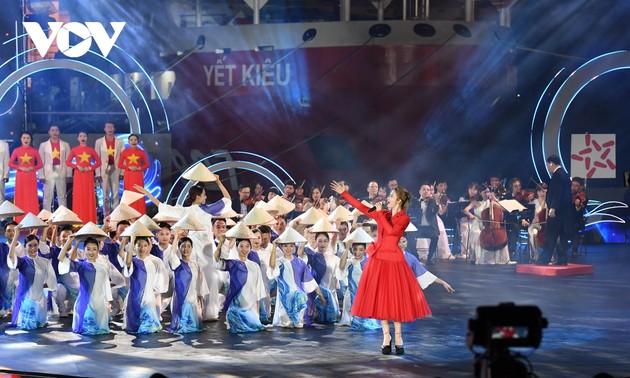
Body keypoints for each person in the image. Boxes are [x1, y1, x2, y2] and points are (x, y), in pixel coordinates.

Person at [331, 180, 431, 355]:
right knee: (382, 300)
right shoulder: (383, 213)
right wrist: (344, 194)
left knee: (396, 300)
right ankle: (386, 337)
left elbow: (392, 232)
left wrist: (379, 214)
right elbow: (362, 208)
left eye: (392, 196)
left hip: (394, 262)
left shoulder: (404, 218)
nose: (388, 198)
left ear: (399, 200)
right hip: (378, 260)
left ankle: (398, 336)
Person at [267, 232, 326, 328]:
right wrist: (274, 247)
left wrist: (321, 297)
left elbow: (310, 281)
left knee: (298, 325)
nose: (288, 249)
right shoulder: (279, 262)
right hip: (285, 298)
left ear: (294, 247)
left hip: (299, 298)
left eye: (291, 246)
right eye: (285, 246)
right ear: (281, 247)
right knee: (286, 324)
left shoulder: (300, 262)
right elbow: (272, 266)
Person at [58, 236, 114, 335]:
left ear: (98, 250)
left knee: (100, 333)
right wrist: (70, 240)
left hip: (100, 303)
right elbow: (61, 258)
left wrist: (108, 301)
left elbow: (106, 283)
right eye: (88, 249)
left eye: (94, 249)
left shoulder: (103, 265)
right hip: (85, 303)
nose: (91, 252)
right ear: (84, 250)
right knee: (87, 331)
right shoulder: (81, 265)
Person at [7, 226, 57, 329]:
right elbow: (11, 256)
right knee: (29, 326)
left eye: (35, 245)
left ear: (38, 246)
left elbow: (51, 280)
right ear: (25, 247)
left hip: (40, 299)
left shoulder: (45, 262)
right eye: (30, 246)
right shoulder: (22, 261)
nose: (33, 248)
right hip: (27, 299)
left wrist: (51, 287)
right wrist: (16, 235)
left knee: (40, 325)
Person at [214, 235, 266, 333]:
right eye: (241, 246)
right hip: (236, 308)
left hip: (251, 308)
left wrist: (257, 314)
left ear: (250, 248)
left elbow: (258, 291)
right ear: (237, 248)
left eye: (247, 246)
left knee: (255, 328)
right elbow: (217, 262)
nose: (244, 249)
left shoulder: (255, 266)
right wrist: (220, 243)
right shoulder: (233, 264)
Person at [121, 235, 169, 334]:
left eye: (145, 245)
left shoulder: (153, 261)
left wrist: (156, 291)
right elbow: (126, 262)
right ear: (134, 246)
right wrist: (131, 238)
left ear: (148, 246)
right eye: (139, 245)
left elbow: (159, 279)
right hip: (135, 295)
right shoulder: (132, 260)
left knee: (148, 325)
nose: (142, 248)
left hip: (148, 296)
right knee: (135, 325)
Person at [166, 230, 209, 333]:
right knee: (183, 326)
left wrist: (201, 299)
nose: (186, 249)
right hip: (181, 297)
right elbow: (171, 256)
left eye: (189, 246)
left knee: (194, 326)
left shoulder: (196, 265)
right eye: (183, 246)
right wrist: (176, 237)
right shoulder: (177, 264)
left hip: (193, 297)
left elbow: (201, 283)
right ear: (179, 248)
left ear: (192, 248)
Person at [536, 155, 573, 266]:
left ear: (551, 163)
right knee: (562, 236)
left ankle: (545, 259)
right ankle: (562, 259)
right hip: (565, 212)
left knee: (550, 235)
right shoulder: (565, 175)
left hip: (557, 211)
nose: (548, 168)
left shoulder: (557, 175)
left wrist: (552, 208)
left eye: (548, 165)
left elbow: (558, 192)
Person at [65, 131, 102, 223]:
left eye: (84, 136)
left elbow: (99, 162)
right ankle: (79, 220)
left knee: (88, 195)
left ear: (87, 138)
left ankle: (90, 219)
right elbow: (68, 162)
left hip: (88, 175)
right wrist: (76, 166)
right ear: (78, 138)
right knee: (78, 196)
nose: (83, 138)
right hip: (78, 175)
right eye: (81, 136)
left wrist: (90, 168)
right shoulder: (74, 149)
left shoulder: (91, 149)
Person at [9, 132, 43, 222]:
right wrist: (19, 167)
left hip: (31, 176)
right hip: (20, 176)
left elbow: (40, 164)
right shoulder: (16, 150)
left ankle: (33, 219)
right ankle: (20, 219)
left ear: (30, 140)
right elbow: (10, 163)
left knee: (31, 197)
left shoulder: (34, 151)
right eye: (24, 138)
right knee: (21, 197)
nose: (26, 140)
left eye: (28, 138)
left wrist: (33, 168)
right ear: (21, 139)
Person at [38, 125, 72, 212]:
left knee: (62, 195)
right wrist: (41, 175)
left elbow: (68, 160)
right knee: (47, 196)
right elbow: (40, 161)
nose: (54, 132)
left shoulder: (65, 145)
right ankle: (46, 216)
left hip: (61, 171)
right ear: (49, 132)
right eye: (52, 130)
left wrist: (69, 174)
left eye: (56, 130)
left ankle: (62, 217)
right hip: (48, 173)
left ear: (59, 132)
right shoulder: (43, 145)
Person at [94, 122, 125, 217]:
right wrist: (98, 173)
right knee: (105, 196)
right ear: (104, 129)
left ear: (114, 129)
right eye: (107, 127)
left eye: (111, 127)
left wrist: (122, 172)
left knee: (115, 194)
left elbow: (123, 157)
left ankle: (115, 216)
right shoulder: (99, 142)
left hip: (116, 169)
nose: (109, 128)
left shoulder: (120, 142)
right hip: (104, 171)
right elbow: (97, 158)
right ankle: (106, 216)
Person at [118, 134, 149, 214]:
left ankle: (140, 214)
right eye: (131, 140)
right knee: (129, 194)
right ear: (128, 142)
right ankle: (129, 215)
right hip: (128, 175)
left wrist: (138, 168)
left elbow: (147, 164)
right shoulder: (125, 152)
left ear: (137, 141)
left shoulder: (141, 152)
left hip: (138, 175)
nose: (133, 141)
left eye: (135, 140)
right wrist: (128, 167)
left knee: (138, 193)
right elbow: (119, 164)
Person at [410, 182, 440, 265]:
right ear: (420, 191)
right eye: (424, 189)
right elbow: (411, 214)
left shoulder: (433, 202)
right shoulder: (414, 202)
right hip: (418, 227)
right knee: (409, 236)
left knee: (435, 236)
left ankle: (429, 258)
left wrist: (437, 202)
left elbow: (434, 211)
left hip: (430, 227)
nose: (426, 191)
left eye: (428, 190)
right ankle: (416, 258)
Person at [570, 177, 587, 257]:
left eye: (576, 186)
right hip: (567, 220)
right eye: (572, 185)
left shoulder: (583, 196)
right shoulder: (568, 195)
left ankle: (574, 249)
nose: (573, 187)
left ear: (581, 187)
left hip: (577, 221)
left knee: (574, 228)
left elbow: (580, 208)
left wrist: (578, 205)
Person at [0, 139, 9, 203]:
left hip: (0, 173)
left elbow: (6, 160)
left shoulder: (4, 144)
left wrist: (6, 174)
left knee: (1, 196)